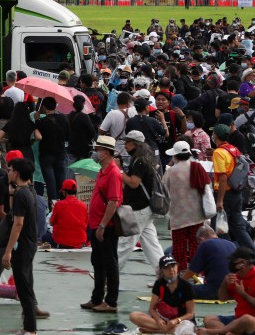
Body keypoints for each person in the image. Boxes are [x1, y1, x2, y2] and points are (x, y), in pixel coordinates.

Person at [1, 157, 43, 334]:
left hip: (23, 246)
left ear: (16, 173)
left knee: (23, 287)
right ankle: (29, 326)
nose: (9, 172)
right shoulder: (29, 191)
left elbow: (18, 224)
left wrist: (8, 251)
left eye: (10, 170)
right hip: (30, 244)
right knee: (25, 285)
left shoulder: (20, 195)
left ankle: (30, 329)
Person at [81, 136, 123, 314]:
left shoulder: (113, 173)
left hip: (106, 226)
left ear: (106, 152)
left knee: (109, 263)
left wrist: (102, 225)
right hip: (97, 224)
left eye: (98, 150)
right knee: (98, 262)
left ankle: (111, 301)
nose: (96, 152)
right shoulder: (103, 171)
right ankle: (97, 297)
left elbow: (113, 202)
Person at [200, 247, 255, 335]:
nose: (231, 264)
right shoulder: (236, 277)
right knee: (209, 319)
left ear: (243, 263)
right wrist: (224, 284)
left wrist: (243, 294)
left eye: (234, 262)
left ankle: (216, 332)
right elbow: (222, 299)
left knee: (247, 319)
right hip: (239, 319)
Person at [117, 130, 163, 272]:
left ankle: (107, 274)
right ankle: (165, 274)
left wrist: (119, 171)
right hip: (145, 207)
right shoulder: (146, 158)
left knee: (126, 243)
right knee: (152, 245)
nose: (125, 145)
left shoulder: (139, 161)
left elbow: (133, 183)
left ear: (135, 144)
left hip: (139, 208)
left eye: (127, 142)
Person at [162, 140, 208, 270]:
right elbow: (206, 187)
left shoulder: (171, 171)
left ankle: (180, 271)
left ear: (175, 155)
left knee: (178, 248)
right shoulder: (197, 167)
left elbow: (164, 190)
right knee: (195, 245)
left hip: (178, 216)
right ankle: (196, 272)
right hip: (197, 214)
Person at [211, 124, 255, 251]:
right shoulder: (232, 149)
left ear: (215, 135)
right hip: (237, 192)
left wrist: (220, 200)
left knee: (220, 227)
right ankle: (254, 254)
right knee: (238, 227)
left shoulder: (219, 152)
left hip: (225, 194)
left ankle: (226, 255)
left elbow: (223, 177)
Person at [129, 255, 196, 334]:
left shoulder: (186, 286)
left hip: (181, 321)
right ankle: (166, 330)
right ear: (162, 271)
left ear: (177, 267)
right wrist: (158, 320)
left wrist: (176, 320)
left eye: (173, 266)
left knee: (185, 330)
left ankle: (156, 330)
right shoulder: (159, 284)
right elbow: (152, 309)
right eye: (167, 268)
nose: (171, 270)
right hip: (164, 320)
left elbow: (190, 314)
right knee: (134, 316)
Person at [181, 226, 237, 300]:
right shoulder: (232, 244)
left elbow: (192, 271)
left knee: (183, 289)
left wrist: (179, 283)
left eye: (198, 243)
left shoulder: (205, 244)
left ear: (201, 239)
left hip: (215, 290)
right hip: (233, 290)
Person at [46, 179, 88, 248]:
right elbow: (86, 223)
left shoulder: (58, 204)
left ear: (64, 191)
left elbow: (51, 222)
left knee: (45, 237)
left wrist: (53, 211)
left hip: (63, 242)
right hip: (80, 241)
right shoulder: (83, 205)